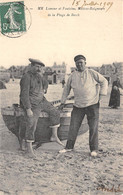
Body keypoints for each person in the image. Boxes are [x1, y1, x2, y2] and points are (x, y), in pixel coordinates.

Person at [58, 55, 108, 157]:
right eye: (77, 63)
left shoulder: (92, 73)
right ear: (75, 64)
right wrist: (62, 102)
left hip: (92, 104)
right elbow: (66, 89)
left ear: (85, 63)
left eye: (81, 62)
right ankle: (69, 147)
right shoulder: (72, 76)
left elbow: (104, 81)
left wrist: (101, 96)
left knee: (93, 127)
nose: (79, 64)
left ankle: (94, 149)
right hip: (78, 106)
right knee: (73, 127)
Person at [19, 58, 64, 157]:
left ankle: (54, 136)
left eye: (40, 67)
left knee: (55, 112)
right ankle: (29, 148)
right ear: (31, 66)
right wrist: (28, 108)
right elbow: (24, 94)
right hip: (31, 104)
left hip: (42, 101)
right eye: (36, 66)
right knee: (31, 122)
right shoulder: (26, 77)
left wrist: (45, 85)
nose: (38, 69)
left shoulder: (39, 76)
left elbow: (46, 84)